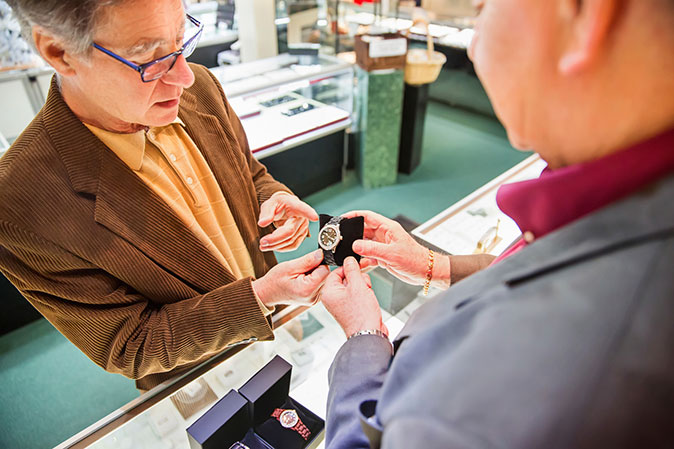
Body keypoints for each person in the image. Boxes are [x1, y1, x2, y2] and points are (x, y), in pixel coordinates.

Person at [320, 0, 674, 447]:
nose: (474, 39)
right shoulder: (628, 202)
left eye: (484, 5)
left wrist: (363, 337)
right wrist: (433, 265)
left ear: (586, 14)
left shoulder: (557, 365)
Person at [0, 0, 329, 391]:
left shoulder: (202, 87)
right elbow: (131, 344)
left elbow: (248, 170)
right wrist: (258, 297)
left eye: (181, 39)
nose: (185, 77)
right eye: (149, 59)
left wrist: (272, 197)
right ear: (59, 52)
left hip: (279, 331)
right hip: (198, 379)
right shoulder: (19, 204)